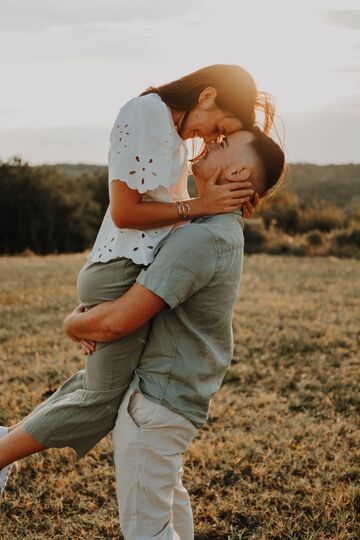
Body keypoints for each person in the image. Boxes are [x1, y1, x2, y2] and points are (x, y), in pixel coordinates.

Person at [0, 65, 272, 493]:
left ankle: (6, 438)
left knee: (97, 386)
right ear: (206, 96)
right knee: (100, 401)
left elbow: (163, 215)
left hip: (129, 269)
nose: (210, 138)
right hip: (122, 270)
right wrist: (201, 209)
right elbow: (127, 213)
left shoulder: (173, 133)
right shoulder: (147, 115)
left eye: (222, 138)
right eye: (217, 126)